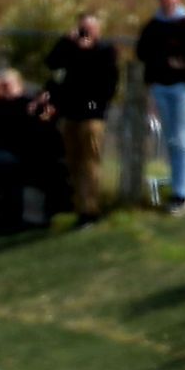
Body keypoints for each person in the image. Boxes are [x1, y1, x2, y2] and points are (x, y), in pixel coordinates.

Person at [38, 13, 121, 226]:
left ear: (98, 30)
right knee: (73, 161)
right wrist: (65, 41)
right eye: (83, 28)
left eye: (90, 29)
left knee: (90, 161)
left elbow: (108, 84)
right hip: (70, 113)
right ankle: (78, 205)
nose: (86, 33)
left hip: (92, 115)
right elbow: (51, 63)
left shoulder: (105, 51)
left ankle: (90, 210)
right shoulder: (70, 48)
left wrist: (88, 50)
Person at [136, 0, 185, 216]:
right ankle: (180, 189)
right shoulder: (153, 26)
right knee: (171, 140)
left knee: (182, 139)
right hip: (161, 87)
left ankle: (183, 193)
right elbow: (142, 51)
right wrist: (157, 68)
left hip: (182, 88)